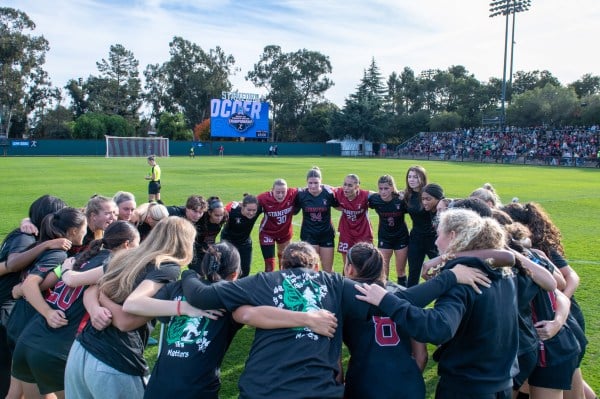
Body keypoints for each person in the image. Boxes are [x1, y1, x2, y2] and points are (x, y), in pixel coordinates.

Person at [181, 241, 489, 399]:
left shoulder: (264, 280)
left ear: (285, 264)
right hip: (318, 392)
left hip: (264, 389)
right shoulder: (332, 283)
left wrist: (187, 273)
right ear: (314, 265)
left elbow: (203, 296)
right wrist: (449, 277)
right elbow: (401, 299)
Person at [123, 241, 336, 399]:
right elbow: (252, 314)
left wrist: (188, 278)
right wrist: (308, 317)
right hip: (198, 390)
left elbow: (143, 309)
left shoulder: (177, 287)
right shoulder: (232, 299)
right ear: (235, 275)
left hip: (158, 388)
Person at [355, 208, 519, 399]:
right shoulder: (504, 274)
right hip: (502, 384)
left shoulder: (463, 280)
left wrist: (386, 301)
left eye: (438, 234)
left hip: (468, 387)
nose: (435, 241)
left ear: (452, 236)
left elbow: (438, 327)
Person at [64, 216, 196, 399]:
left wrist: (97, 306)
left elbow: (88, 286)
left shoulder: (126, 256)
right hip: (115, 360)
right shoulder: (167, 267)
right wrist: (184, 307)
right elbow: (128, 314)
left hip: (80, 353)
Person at [10, 221, 139, 399]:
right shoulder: (114, 265)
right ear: (127, 244)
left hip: (28, 340)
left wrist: (45, 309)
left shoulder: (80, 257)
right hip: (55, 349)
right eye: (137, 245)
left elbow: (36, 284)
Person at [6, 207, 87, 398]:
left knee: (16, 391)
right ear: (74, 231)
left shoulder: (51, 247)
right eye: (84, 228)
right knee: (44, 390)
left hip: (20, 324)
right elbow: (29, 285)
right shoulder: (58, 254)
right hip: (27, 324)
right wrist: (47, 312)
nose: (86, 232)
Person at [0, 195, 69, 398]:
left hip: (12, 307)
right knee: (12, 374)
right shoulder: (26, 237)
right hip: (7, 308)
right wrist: (46, 246)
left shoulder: (30, 231)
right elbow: (12, 264)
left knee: (17, 379)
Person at [295, 167, 338, 272]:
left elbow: (341, 206)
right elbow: (293, 211)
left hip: (326, 234)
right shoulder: (301, 195)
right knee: (311, 269)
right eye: (310, 183)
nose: (313, 186)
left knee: (328, 270)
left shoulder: (328, 193)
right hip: (309, 234)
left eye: (316, 182)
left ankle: (329, 287)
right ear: (306, 182)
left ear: (321, 181)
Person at [368, 175, 409, 283]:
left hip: (401, 237)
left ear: (392, 188)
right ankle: (384, 296)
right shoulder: (375, 199)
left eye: (386, 188)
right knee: (383, 272)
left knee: (401, 271)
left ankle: (403, 296)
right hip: (384, 238)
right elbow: (361, 196)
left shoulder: (400, 200)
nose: (383, 192)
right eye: (380, 188)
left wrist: (405, 195)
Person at [403, 166, 437, 287]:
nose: (411, 180)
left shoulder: (430, 194)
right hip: (416, 238)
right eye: (409, 176)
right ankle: (409, 302)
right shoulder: (407, 195)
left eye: (415, 177)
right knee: (413, 272)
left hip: (433, 239)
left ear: (422, 178)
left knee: (442, 270)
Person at [256, 178, 299, 272]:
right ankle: (269, 285)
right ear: (272, 190)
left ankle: (282, 283)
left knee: (285, 261)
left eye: (283, 192)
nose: (280, 195)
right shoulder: (263, 198)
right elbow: (250, 203)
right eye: (278, 192)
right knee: (269, 265)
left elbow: (307, 190)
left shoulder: (292, 193)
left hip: (285, 232)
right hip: (267, 233)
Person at [334, 174, 373, 265]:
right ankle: (346, 278)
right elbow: (325, 188)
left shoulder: (365, 195)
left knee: (365, 263)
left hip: (363, 232)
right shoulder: (338, 192)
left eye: (350, 185)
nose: (346, 188)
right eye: (345, 184)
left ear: (357, 187)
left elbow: (379, 195)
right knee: (347, 263)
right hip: (346, 232)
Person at [220, 194, 262, 277]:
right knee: (229, 270)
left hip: (245, 243)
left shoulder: (258, 209)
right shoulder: (232, 211)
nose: (251, 213)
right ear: (242, 206)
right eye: (249, 210)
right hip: (228, 243)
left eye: (254, 210)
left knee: (245, 270)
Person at [192, 197, 228, 271]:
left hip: (209, 248)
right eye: (216, 215)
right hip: (194, 249)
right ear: (209, 213)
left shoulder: (225, 217)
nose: (219, 218)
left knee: (213, 271)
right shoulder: (200, 219)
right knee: (199, 273)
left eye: (221, 215)